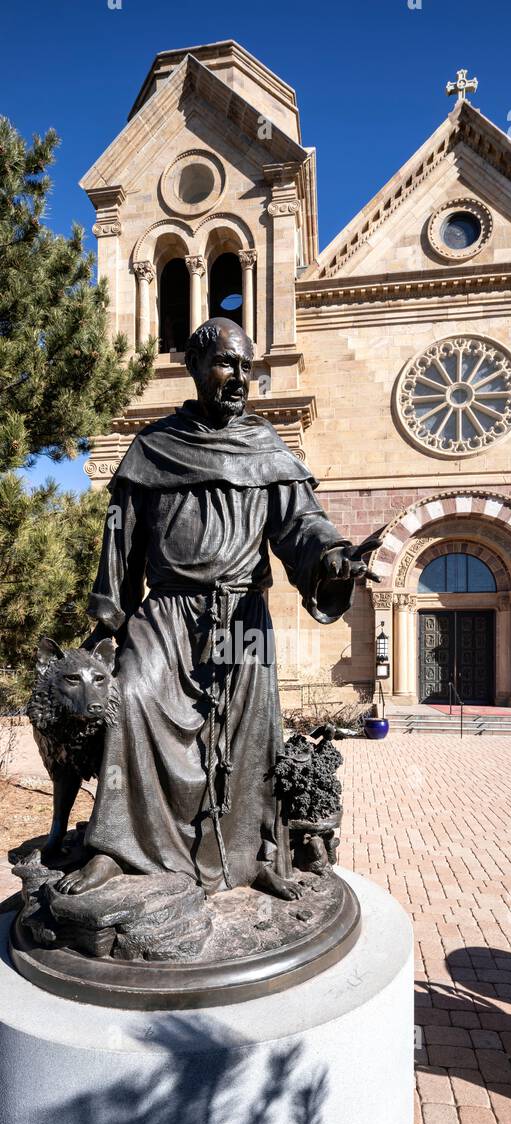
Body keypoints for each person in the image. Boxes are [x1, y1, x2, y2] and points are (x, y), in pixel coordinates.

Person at [58, 317, 367, 901]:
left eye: (246, 367)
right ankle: (116, 850)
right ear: (196, 368)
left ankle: (256, 855)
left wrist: (331, 559)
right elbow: (120, 534)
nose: (239, 379)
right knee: (134, 698)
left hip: (240, 617)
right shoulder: (154, 447)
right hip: (169, 614)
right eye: (228, 364)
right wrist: (110, 615)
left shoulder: (266, 446)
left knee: (254, 728)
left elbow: (302, 524)